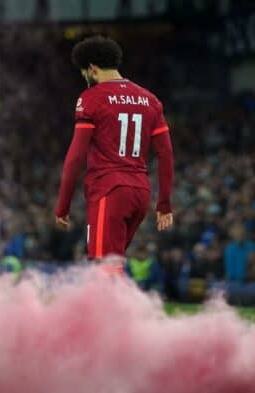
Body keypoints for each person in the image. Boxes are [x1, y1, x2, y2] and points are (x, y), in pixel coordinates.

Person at [55, 36, 174, 270]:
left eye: (83, 73)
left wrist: (63, 205)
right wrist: (164, 204)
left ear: (92, 68)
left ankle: (121, 307)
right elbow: (166, 154)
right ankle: (120, 306)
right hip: (140, 193)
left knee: (104, 267)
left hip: (108, 191)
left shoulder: (91, 98)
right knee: (112, 262)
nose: (84, 78)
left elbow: (76, 156)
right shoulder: (150, 99)